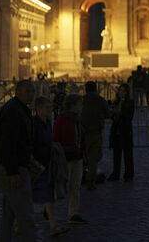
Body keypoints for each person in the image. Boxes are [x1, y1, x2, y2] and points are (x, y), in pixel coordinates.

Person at [0, 79, 37, 241]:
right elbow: (8, 144)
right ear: (17, 91)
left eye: (32, 91)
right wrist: (12, 172)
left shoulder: (18, 108)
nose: (31, 94)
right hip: (14, 169)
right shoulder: (14, 111)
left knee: (9, 212)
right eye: (27, 91)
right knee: (25, 214)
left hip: (13, 167)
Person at [32, 96, 69, 237]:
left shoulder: (47, 123)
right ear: (39, 108)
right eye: (47, 107)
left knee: (48, 195)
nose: (50, 110)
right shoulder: (34, 124)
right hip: (36, 165)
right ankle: (18, 222)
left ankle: (53, 224)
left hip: (47, 164)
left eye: (50, 107)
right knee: (29, 196)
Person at [53, 94, 87, 225]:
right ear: (72, 106)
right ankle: (49, 207)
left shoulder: (78, 119)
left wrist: (84, 156)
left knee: (76, 186)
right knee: (62, 185)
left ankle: (73, 213)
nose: (81, 107)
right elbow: (55, 139)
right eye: (80, 104)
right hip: (65, 157)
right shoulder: (61, 119)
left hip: (77, 156)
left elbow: (81, 138)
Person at [81, 81, 110, 190]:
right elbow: (107, 114)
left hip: (83, 133)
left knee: (83, 157)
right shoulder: (101, 100)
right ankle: (90, 181)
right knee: (94, 158)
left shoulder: (81, 100)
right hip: (96, 132)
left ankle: (80, 177)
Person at [108, 84, 134, 182]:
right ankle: (116, 173)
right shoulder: (116, 102)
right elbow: (112, 116)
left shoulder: (130, 102)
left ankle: (129, 174)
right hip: (116, 130)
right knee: (116, 154)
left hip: (125, 130)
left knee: (128, 154)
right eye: (120, 91)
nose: (121, 93)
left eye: (123, 91)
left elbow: (128, 116)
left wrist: (118, 112)